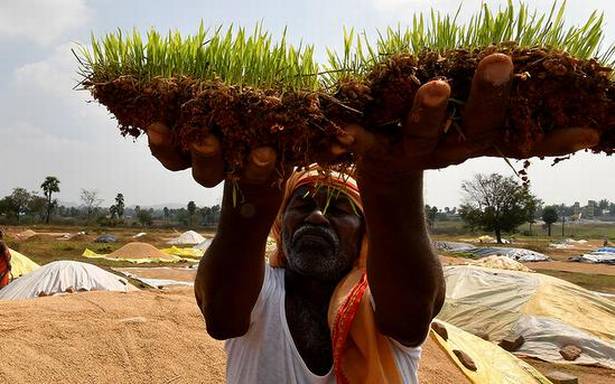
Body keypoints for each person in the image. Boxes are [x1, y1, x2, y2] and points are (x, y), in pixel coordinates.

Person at [145, 53, 598, 383]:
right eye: (302, 205)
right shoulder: (261, 293)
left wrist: (391, 176)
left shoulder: (379, 296)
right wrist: (250, 181)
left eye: (340, 208)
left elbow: (412, 314)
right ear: (279, 225)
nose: (317, 217)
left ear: (366, 232)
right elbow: (222, 316)